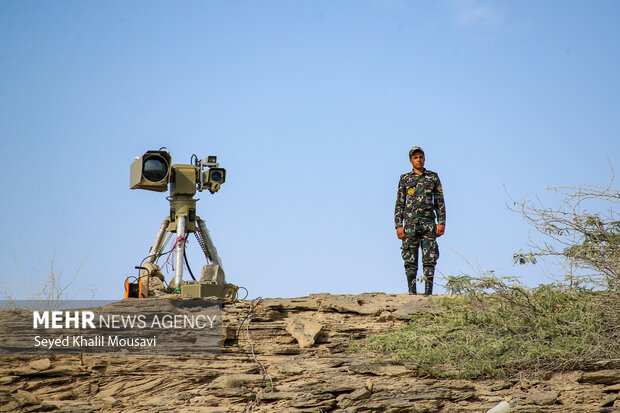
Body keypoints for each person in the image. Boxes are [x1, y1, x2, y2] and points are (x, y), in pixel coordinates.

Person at [394, 147, 446, 295]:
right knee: (410, 259)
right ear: (411, 161)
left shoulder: (433, 177)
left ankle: (428, 292)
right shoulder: (405, 179)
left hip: (429, 223)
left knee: (429, 258)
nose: (419, 160)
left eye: (421, 157)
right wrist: (398, 225)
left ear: (424, 159)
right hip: (410, 224)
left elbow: (440, 202)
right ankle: (412, 291)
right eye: (415, 157)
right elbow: (399, 203)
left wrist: (441, 222)